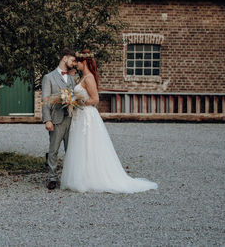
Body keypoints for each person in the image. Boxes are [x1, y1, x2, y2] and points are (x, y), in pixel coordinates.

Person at [61, 49, 158, 193]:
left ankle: (92, 178)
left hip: (87, 115)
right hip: (79, 116)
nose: (76, 64)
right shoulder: (82, 77)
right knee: (80, 145)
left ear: (85, 62)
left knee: (89, 145)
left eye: (78, 62)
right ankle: (81, 177)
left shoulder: (89, 78)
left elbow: (95, 99)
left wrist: (79, 102)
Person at [41, 47, 77, 190]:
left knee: (72, 150)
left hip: (72, 119)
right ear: (64, 58)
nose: (73, 63)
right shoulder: (48, 77)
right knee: (53, 150)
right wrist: (47, 120)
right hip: (56, 119)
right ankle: (52, 178)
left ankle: (70, 177)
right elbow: (45, 100)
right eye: (72, 60)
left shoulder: (74, 78)